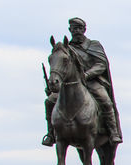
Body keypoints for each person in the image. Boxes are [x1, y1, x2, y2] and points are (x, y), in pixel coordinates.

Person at [44, 17, 122, 146]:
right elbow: (62, 67)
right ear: (70, 30)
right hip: (71, 84)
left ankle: (113, 132)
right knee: (50, 101)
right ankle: (51, 134)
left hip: (91, 81)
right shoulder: (66, 48)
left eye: (80, 28)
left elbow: (101, 64)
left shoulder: (93, 45)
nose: (77, 31)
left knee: (105, 100)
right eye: (74, 29)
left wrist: (86, 75)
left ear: (84, 30)